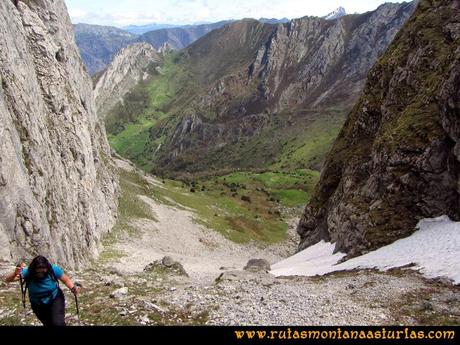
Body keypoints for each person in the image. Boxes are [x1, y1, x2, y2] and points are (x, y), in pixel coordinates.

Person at [4, 255, 81, 326]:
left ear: (47, 267)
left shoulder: (53, 269)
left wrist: (72, 288)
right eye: (38, 270)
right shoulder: (28, 272)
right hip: (37, 304)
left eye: (43, 269)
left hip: (55, 299)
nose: (41, 272)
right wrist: (15, 273)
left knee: (58, 323)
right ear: (34, 268)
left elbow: (66, 280)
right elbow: (8, 279)